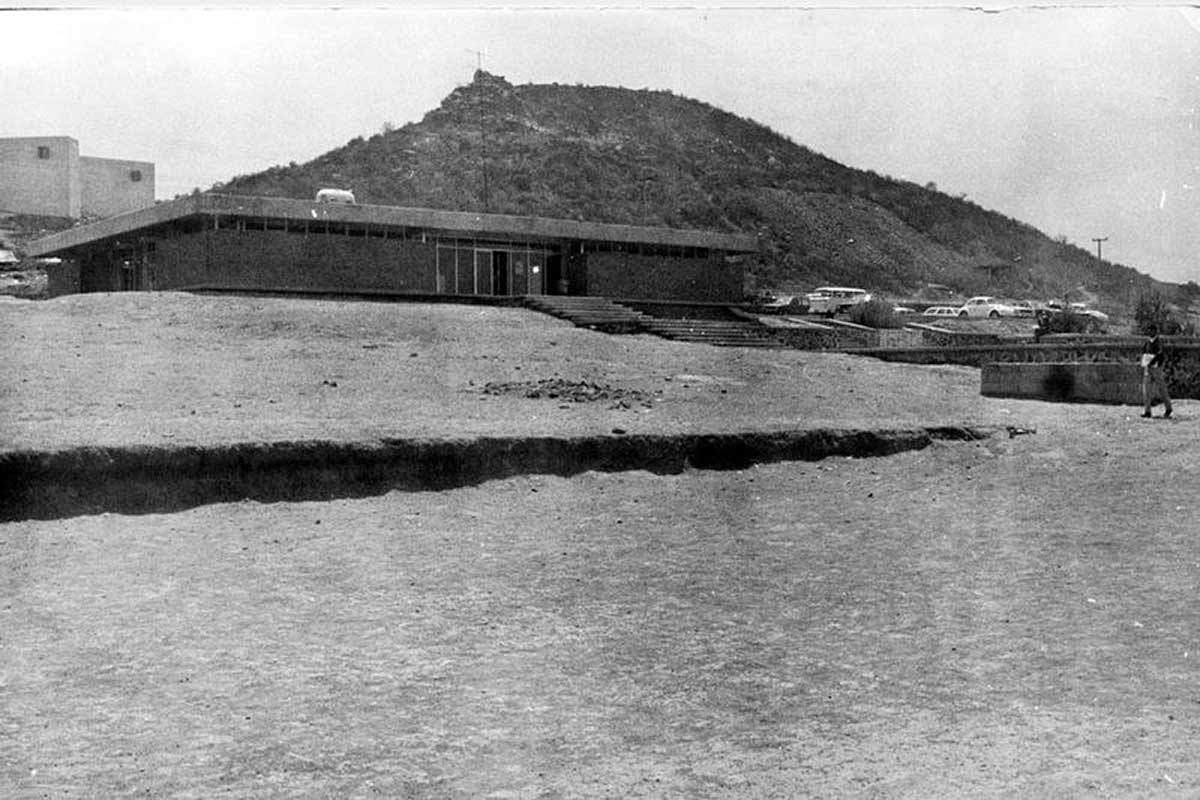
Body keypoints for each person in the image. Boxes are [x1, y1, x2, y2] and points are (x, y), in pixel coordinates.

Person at [1141, 324, 1173, 419]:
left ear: (1155, 331)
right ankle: (1147, 411)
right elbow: (1144, 351)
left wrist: (1153, 360)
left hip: (1156, 368)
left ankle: (1168, 408)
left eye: (1151, 330)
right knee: (1146, 390)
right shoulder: (1147, 342)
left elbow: (1160, 353)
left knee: (1161, 389)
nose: (1150, 332)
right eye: (1149, 330)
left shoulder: (1159, 342)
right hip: (1148, 367)